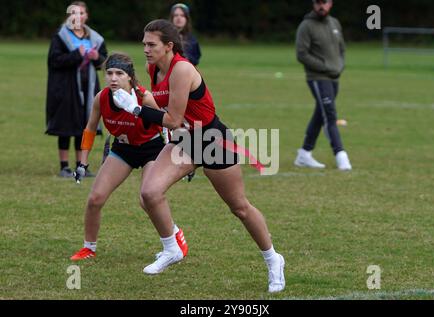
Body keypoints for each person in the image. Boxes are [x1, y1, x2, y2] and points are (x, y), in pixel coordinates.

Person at [113, 19, 285, 293]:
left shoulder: (182, 69)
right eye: (144, 43)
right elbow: (166, 112)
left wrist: (134, 109)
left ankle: (273, 259)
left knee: (239, 207)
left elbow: (171, 118)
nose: (145, 49)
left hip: (211, 140)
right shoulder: (153, 68)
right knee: (149, 193)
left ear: (168, 46)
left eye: (151, 44)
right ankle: (172, 248)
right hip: (185, 140)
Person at [70, 53, 188, 261]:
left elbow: (169, 124)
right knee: (95, 199)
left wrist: (182, 156)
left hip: (151, 149)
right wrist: (82, 162)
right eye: (109, 73)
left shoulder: (144, 97)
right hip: (123, 149)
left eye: (119, 73)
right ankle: (89, 248)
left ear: (130, 78)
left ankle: (174, 236)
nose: (113, 78)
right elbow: (89, 129)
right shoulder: (102, 98)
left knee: (147, 199)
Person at [45, 1, 107, 177]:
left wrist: (97, 58)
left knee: (84, 125)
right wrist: (75, 55)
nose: (77, 16)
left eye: (81, 13)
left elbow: (104, 62)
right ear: (68, 16)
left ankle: (81, 165)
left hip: (89, 89)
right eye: (73, 13)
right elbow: (54, 61)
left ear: (86, 16)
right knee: (66, 126)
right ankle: (64, 166)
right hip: (66, 89)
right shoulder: (60, 37)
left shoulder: (94, 38)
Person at [294, 0, 352, 171]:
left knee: (321, 114)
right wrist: (325, 67)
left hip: (334, 77)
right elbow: (301, 54)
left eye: (325, 2)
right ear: (313, 4)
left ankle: (304, 153)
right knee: (330, 114)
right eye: (318, 2)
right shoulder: (306, 26)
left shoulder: (335, 23)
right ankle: (341, 155)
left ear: (331, 4)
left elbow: (341, 49)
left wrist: (339, 66)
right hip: (318, 77)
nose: (322, 6)